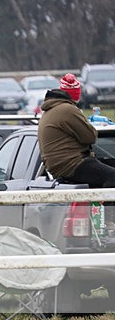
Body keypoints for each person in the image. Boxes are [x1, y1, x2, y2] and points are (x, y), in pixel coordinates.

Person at [38, 73, 115, 229]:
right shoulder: (68, 109)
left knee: (107, 167)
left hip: (58, 164)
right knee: (113, 176)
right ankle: (107, 220)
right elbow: (90, 137)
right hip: (71, 163)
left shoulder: (51, 109)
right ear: (76, 95)